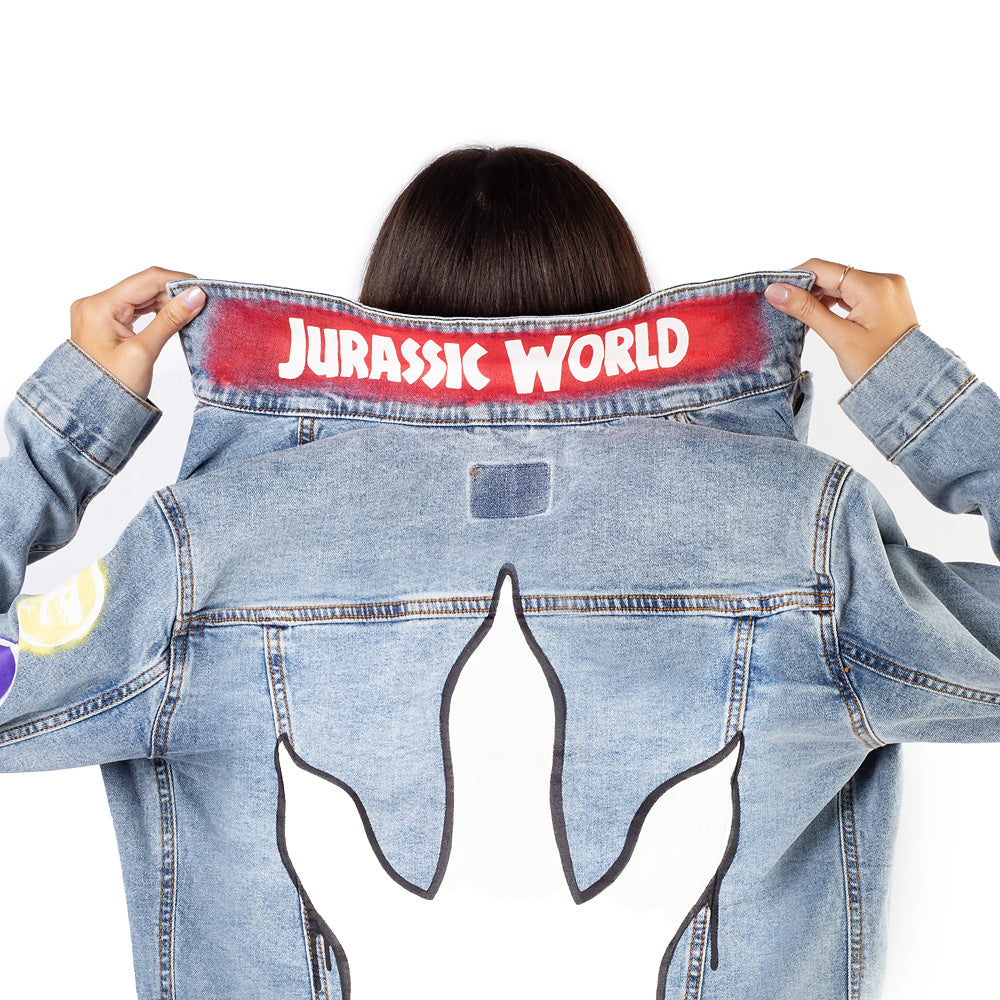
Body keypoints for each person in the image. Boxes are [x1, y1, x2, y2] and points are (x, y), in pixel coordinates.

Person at [1, 146, 997, 1000]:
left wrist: (66, 433)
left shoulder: (202, 554)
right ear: (621, 289)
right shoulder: (800, 540)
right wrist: (921, 396)